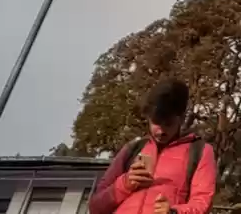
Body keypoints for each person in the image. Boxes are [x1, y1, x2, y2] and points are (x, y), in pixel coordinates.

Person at [91, 79, 216, 214]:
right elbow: (96, 206)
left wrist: (173, 212)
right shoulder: (132, 149)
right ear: (148, 118)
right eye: (156, 122)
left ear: (181, 118)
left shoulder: (199, 151)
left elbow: (202, 203)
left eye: (168, 124)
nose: (161, 131)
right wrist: (125, 184)